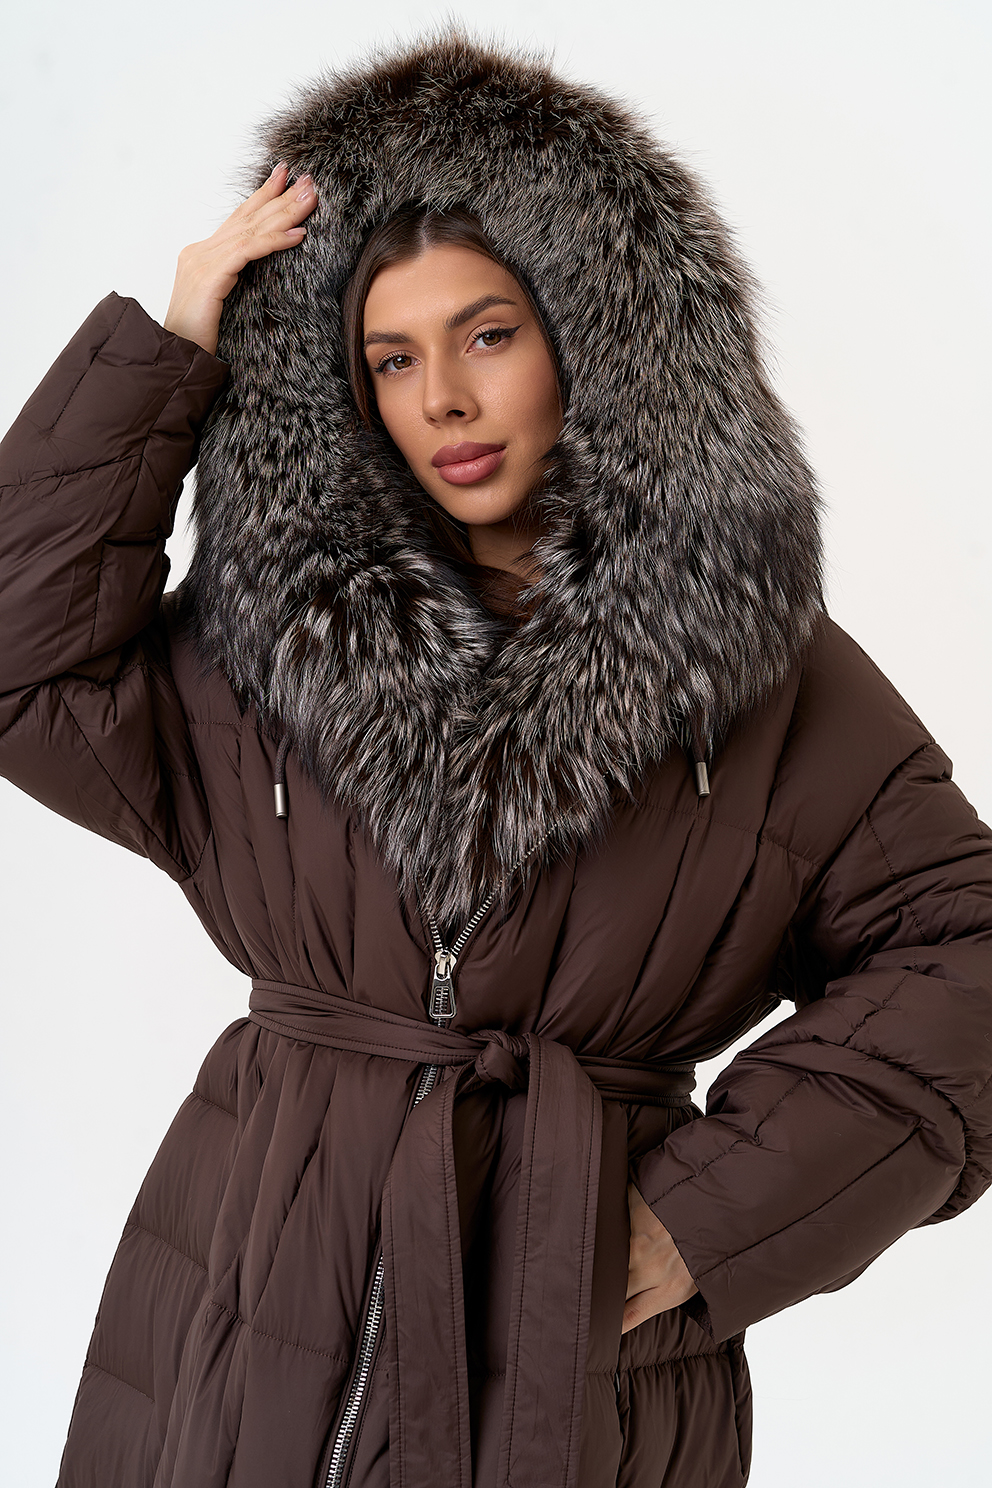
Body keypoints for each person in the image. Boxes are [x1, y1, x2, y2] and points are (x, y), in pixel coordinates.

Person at [1, 30, 990, 1488]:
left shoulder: (753, 666)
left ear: (593, 337)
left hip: (570, 1348)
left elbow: (968, 952)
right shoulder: (265, 646)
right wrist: (175, 347)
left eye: (488, 336)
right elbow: (25, 663)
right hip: (250, 1296)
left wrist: (703, 1222)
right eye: (391, 359)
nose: (443, 403)